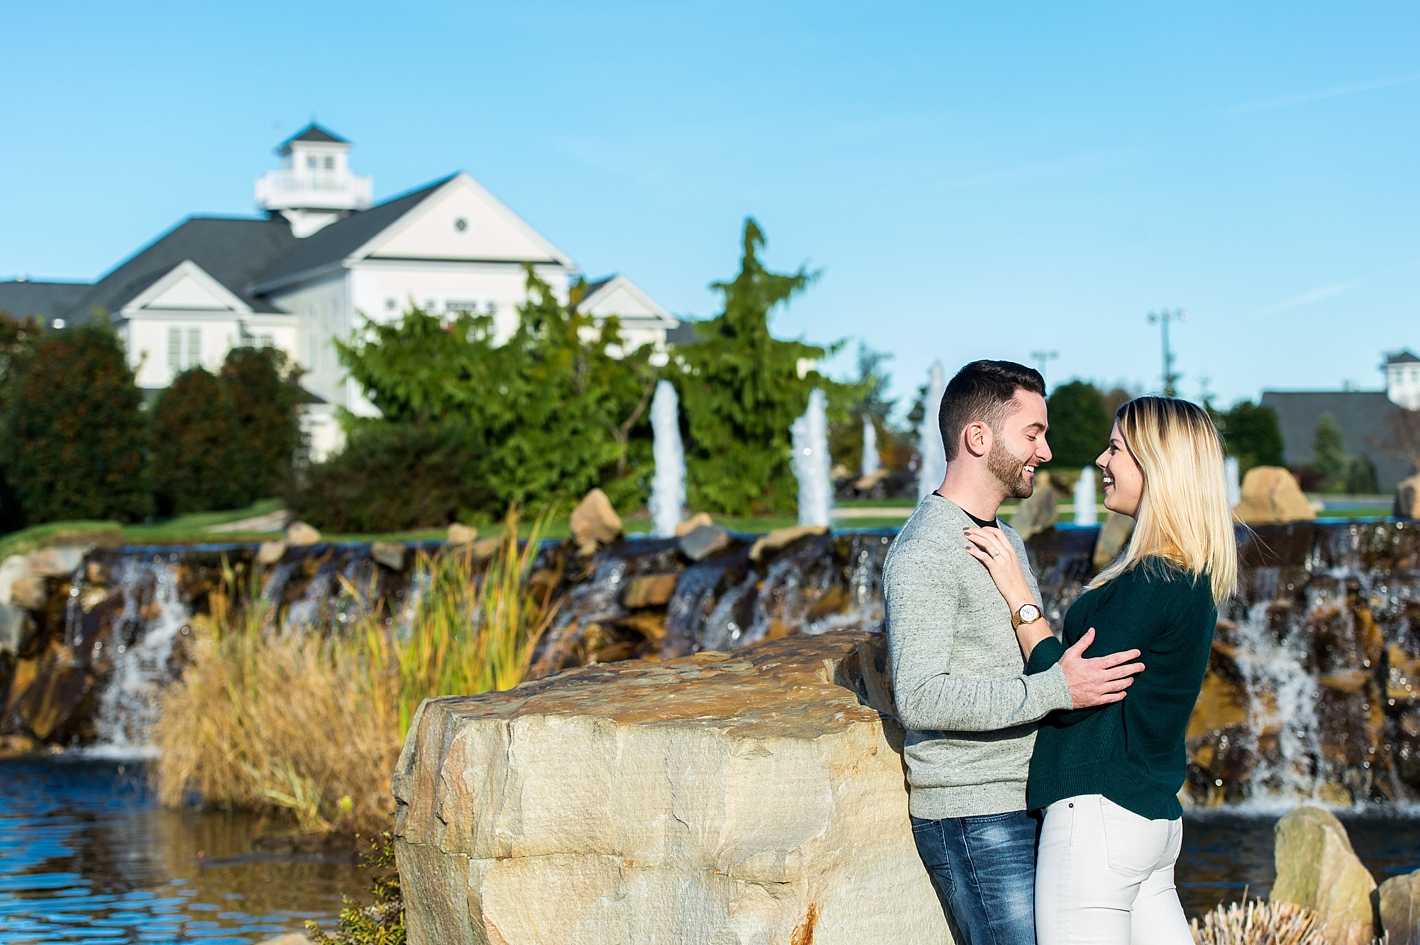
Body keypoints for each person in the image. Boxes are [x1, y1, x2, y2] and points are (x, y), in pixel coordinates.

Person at [883, 360, 1146, 945]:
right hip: (975, 816)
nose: (1046, 452)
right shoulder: (925, 549)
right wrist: (1059, 689)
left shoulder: (1007, 539)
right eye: (1033, 434)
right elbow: (921, 698)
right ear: (978, 438)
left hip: (1026, 801)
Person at [964, 396, 1237, 945]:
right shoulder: (1194, 571)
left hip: (1100, 818)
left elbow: (1072, 690)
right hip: (1153, 821)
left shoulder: (1153, 579)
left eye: (1115, 448)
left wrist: (1020, 598)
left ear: (1154, 465)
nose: (1100, 461)